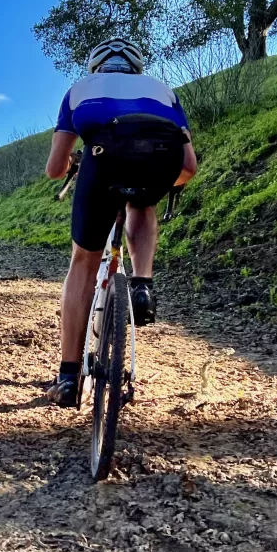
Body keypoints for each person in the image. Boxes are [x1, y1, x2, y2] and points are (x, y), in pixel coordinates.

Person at [45, 37, 198, 407]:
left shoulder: (78, 90)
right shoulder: (164, 91)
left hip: (102, 156)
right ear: (137, 66)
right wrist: (153, 186)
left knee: (82, 263)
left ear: (96, 66)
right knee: (142, 203)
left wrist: (75, 168)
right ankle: (142, 284)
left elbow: (54, 169)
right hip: (161, 156)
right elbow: (189, 167)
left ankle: (68, 378)